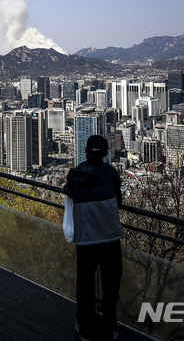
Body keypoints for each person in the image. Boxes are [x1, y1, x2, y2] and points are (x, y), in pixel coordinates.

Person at [63, 135, 124, 341]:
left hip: (86, 240)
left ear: (86, 151)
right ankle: (109, 327)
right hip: (110, 239)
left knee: (85, 286)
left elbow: (68, 191)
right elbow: (119, 200)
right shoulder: (111, 174)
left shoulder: (76, 175)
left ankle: (85, 327)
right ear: (106, 154)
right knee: (110, 287)